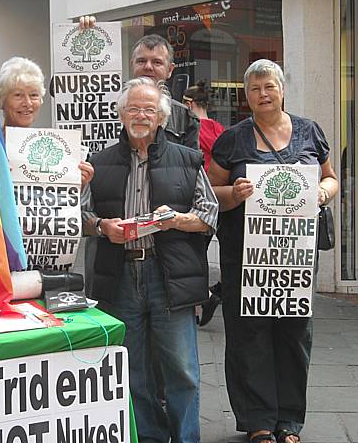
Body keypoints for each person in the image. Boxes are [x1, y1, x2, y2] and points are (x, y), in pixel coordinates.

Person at [208, 59, 339, 443]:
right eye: (254, 89)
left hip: (296, 257)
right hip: (246, 258)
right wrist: (234, 193)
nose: (263, 94)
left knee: (294, 335)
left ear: (282, 90)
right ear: (245, 96)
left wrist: (321, 192)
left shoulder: (310, 132)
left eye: (269, 86)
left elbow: (331, 178)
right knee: (250, 336)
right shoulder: (232, 139)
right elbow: (209, 193)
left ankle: (289, 421)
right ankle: (258, 421)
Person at [83, 77, 218, 443]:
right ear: (120, 113)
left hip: (168, 274)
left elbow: (209, 213)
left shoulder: (187, 159)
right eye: (133, 108)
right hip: (120, 275)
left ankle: (186, 438)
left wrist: (175, 220)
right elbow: (80, 217)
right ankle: (151, 437)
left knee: (182, 369)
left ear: (161, 117)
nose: (140, 115)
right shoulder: (99, 162)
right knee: (131, 368)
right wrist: (101, 226)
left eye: (148, 109)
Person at [79, 16, 200, 150]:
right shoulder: (104, 101)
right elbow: (65, 90)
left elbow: (190, 166)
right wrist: (85, 34)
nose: (148, 67)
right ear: (132, 65)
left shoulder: (185, 118)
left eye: (157, 62)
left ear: (170, 70)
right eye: (141, 61)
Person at [0, 56, 94, 185]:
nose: (27, 103)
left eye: (34, 95)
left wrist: (77, 185)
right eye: (18, 95)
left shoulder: (55, 146)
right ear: (2, 101)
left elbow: (58, 200)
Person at [183, 81, 225, 327]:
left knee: (192, 255)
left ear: (189, 104)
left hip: (199, 198)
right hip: (219, 197)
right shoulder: (219, 128)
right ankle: (205, 296)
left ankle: (205, 297)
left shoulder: (193, 129)